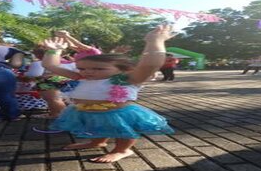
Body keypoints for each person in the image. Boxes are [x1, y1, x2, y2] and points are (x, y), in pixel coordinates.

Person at [41, 25, 175, 163]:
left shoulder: (127, 79)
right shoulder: (80, 77)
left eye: (98, 68)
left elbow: (149, 65)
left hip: (118, 113)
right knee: (95, 127)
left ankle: (122, 150)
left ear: (123, 69)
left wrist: (154, 41)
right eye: (82, 68)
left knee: (123, 131)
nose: (88, 72)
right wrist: (54, 51)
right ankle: (97, 142)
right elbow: (51, 66)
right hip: (84, 111)